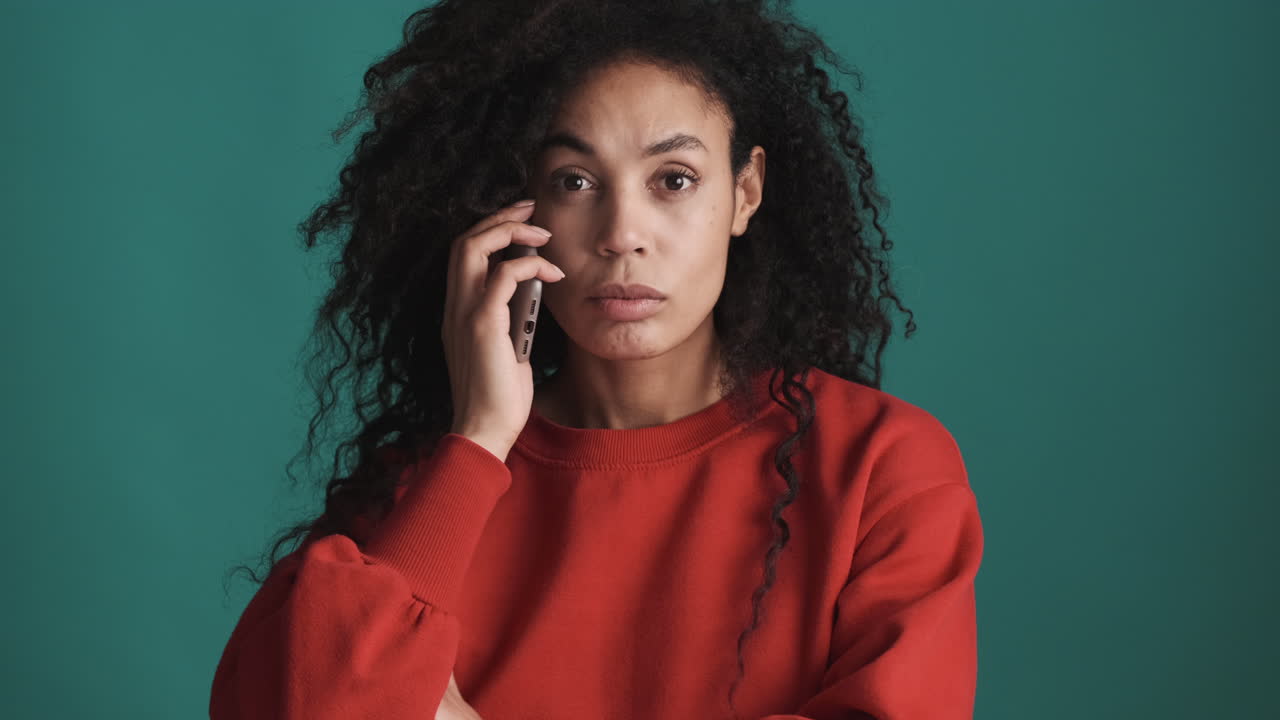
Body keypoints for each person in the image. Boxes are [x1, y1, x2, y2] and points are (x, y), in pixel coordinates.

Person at [210, 1, 984, 718]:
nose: (621, 234)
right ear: (516, 207)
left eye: (673, 180)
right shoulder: (423, 496)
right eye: (574, 181)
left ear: (745, 192)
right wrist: (477, 440)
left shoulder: (880, 468)